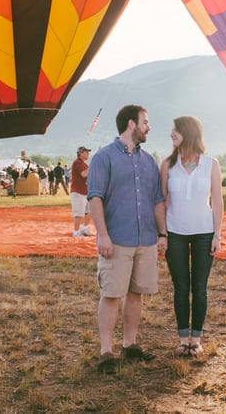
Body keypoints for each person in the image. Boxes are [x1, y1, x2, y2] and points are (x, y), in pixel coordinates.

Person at [87, 104, 166, 374]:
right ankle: (106, 351)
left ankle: (129, 344)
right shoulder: (103, 158)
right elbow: (95, 197)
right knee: (111, 295)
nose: (149, 127)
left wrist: (162, 233)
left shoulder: (148, 161)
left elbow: (157, 200)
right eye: (145, 121)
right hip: (117, 239)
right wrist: (103, 235)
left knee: (136, 294)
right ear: (131, 124)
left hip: (145, 239)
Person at [160, 115, 223, 358]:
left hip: (204, 233)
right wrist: (162, 233)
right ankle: (182, 337)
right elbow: (162, 202)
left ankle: (196, 339)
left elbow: (217, 201)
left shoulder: (211, 164)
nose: (171, 134)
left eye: (175, 130)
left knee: (199, 287)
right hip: (175, 232)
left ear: (188, 132)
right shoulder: (167, 164)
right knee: (180, 287)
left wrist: (217, 234)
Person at [69, 147, 92, 237]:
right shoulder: (77, 162)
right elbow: (84, 174)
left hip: (85, 191)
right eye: (86, 152)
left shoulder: (84, 164)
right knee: (78, 212)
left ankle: (85, 227)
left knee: (89, 210)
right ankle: (76, 231)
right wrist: (92, 166)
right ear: (81, 153)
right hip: (78, 191)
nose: (88, 154)